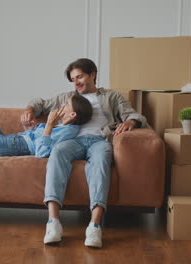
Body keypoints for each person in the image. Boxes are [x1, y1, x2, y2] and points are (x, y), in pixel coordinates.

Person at [21, 58, 147, 248]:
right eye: (73, 79)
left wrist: (131, 122)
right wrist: (30, 109)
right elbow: (40, 103)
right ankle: (53, 223)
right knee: (57, 152)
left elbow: (134, 115)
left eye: (79, 77)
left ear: (93, 74)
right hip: (73, 141)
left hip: (99, 140)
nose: (76, 82)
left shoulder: (112, 97)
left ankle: (94, 225)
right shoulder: (67, 97)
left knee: (101, 160)